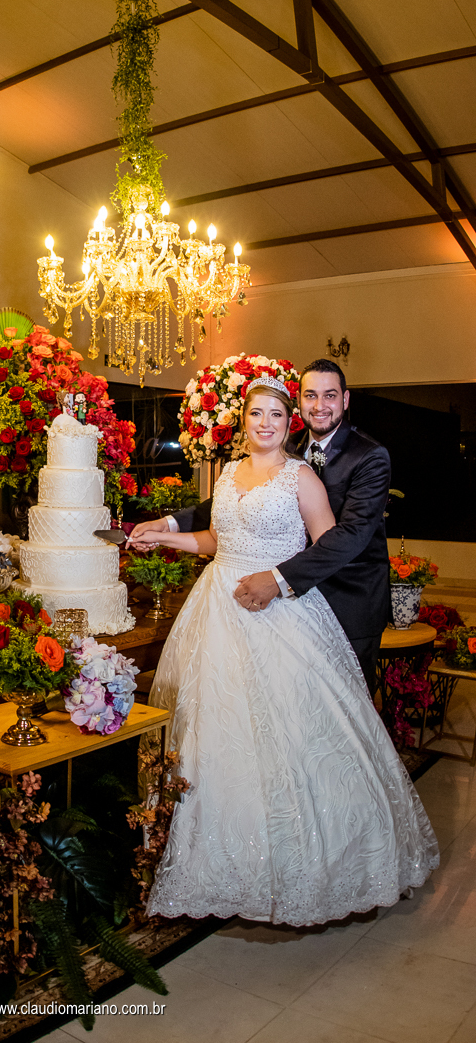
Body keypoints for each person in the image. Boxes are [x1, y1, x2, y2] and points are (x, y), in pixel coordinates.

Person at [132, 378, 438, 925]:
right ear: (244, 420)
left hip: (281, 611)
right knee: (216, 727)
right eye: (257, 413)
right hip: (217, 608)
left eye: (276, 414)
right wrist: (164, 535)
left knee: (293, 731)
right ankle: (216, 858)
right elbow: (217, 539)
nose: (266, 423)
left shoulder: (302, 476)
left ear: (288, 421)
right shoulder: (229, 473)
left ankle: (305, 861)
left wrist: (277, 578)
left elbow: (331, 542)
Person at [130, 359, 390, 695]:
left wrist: (277, 579)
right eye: (310, 395)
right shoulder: (284, 443)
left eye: (330, 395)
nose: (319, 405)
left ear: (346, 399)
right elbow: (234, 506)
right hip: (246, 594)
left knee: (338, 700)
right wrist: (166, 526)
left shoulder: (369, 456)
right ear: (299, 401)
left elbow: (352, 534)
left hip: (346, 598)